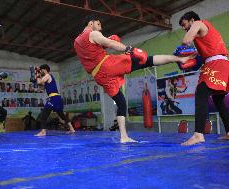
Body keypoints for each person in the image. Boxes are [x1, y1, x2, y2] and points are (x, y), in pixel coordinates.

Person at [74, 15, 192, 143]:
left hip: (98, 75)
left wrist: (105, 43)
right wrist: (130, 49)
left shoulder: (77, 42)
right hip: (107, 65)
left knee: (121, 102)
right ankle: (180, 59)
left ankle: (123, 137)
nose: (100, 28)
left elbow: (92, 53)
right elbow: (110, 43)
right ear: (91, 23)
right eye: (98, 24)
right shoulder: (92, 33)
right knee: (147, 61)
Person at [178, 11, 229, 145]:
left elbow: (186, 41)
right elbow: (202, 53)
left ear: (192, 20)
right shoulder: (205, 32)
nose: (183, 28)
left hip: (216, 64)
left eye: (184, 24)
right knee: (218, 100)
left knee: (201, 93)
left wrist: (180, 52)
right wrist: (192, 57)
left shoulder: (199, 23)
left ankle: (198, 134)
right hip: (223, 63)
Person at [34, 64, 75, 136]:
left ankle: (43, 132)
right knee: (61, 115)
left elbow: (39, 82)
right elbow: (41, 87)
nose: (41, 72)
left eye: (41, 70)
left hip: (53, 98)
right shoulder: (47, 77)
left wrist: (37, 73)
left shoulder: (48, 75)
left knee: (43, 114)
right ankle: (72, 129)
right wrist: (36, 77)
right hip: (57, 98)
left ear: (45, 70)